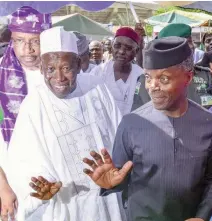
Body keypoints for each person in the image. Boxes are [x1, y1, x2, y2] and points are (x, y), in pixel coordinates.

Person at [83, 36, 212, 221]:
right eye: (148, 78)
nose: (152, 87)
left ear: (188, 77)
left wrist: (202, 216)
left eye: (163, 79)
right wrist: (111, 184)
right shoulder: (131, 124)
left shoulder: (209, 124)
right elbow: (119, 176)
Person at [7, 26, 122, 221]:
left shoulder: (96, 87)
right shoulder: (34, 104)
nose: (59, 78)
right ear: (42, 68)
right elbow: (22, 161)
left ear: (78, 64)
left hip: (108, 200)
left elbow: (120, 134)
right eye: (50, 69)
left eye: (66, 68)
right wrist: (40, 188)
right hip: (65, 206)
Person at [0, 6, 51, 220]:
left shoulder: (60, 76)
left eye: (35, 41)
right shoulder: (1, 77)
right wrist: (3, 186)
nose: (27, 50)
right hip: (14, 181)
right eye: (20, 40)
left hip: (56, 180)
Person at [132, 24, 212, 111]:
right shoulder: (148, 80)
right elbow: (140, 118)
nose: (191, 47)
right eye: (183, 44)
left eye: (190, 41)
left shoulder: (207, 76)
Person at [94, 27, 143, 115]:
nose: (121, 51)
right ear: (112, 46)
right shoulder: (98, 72)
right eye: (117, 46)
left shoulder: (141, 75)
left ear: (136, 51)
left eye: (128, 48)